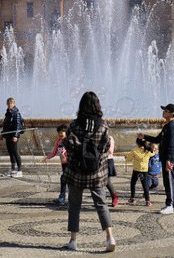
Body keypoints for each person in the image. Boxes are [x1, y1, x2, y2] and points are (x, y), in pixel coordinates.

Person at [62, 91, 115, 252]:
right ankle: (110, 237)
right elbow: (106, 148)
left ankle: (73, 240)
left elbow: (67, 145)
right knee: (101, 204)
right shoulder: (103, 125)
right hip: (96, 173)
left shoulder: (74, 124)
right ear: (97, 105)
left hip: (76, 173)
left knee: (74, 206)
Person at [139, 103, 174, 215]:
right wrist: (145, 137)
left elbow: (171, 145)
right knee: (168, 181)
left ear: (173, 114)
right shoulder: (166, 126)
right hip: (167, 158)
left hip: (170, 159)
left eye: (166, 110)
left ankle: (170, 205)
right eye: (164, 110)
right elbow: (158, 139)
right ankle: (173, 205)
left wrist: (168, 160)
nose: (164, 112)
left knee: (169, 181)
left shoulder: (172, 127)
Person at [41, 124, 69, 204]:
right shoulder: (59, 143)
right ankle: (62, 197)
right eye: (59, 132)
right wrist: (46, 157)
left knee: (65, 179)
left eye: (62, 132)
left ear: (66, 133)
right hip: (63, 163)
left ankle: (66, 197)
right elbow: (54, 153)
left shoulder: (70, 141)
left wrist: (65, 153)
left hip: (70, 163)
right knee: (64, 179)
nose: (60, 134)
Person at [125, 138, 154, 206]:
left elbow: (129, 159)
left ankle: (132, 197)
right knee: (145, 185)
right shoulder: (147, 151)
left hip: (136, 170)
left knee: (133, 183)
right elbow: (152, 154)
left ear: (137, 143)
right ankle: (147, 200)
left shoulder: (135, 150)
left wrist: (126, 157)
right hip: (144, 170)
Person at [2, 97, 23, 177]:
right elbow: (6, 124)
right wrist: (3, 134)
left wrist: (15, 136)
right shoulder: (8, 112)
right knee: (11, 153)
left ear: (14, 104)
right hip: (8, 135)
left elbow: (17, 125)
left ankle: (20, 170)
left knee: (15, 152)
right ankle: (13, 169)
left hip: (13, 135)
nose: (10, 105)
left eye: (11, 103)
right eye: (8, 103)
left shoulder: (16, 112)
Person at [105, 132, 119, 207]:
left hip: (107, 160)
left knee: (107, 181)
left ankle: (115, 197)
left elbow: (110, 151)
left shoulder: (109, 138)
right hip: (97, 160)